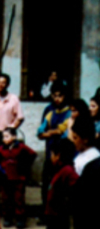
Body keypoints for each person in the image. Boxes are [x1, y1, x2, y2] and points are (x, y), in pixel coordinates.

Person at [37, 83, 71, 221]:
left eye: (60, 96)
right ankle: (46, 213)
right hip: (50, 151)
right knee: (47, 183)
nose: (57, 99)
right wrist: (53, 132)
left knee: (61, 185)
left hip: (64, 154)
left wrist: (51, 132)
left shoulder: (69, 111)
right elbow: (40, 132)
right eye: (54, 96)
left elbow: (65, 132)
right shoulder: (49, 111)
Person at [0, 127, 37, 229]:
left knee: (18, 198)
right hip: (5, 177)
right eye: (3, 136)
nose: (4, 139)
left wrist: (25, 166)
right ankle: (7, 218)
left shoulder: (21, 147)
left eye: (7, 136)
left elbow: (33, 154)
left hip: (18, 177)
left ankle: (20, 219)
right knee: (6, 198)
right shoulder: (1, 148)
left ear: (14, 136)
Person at [0, 73, 24, 151]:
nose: (0, 85)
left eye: (3, 83)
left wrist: (12, 129)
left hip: (7, 136)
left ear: (8, 85)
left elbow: (20, 118)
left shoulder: (14, 98)